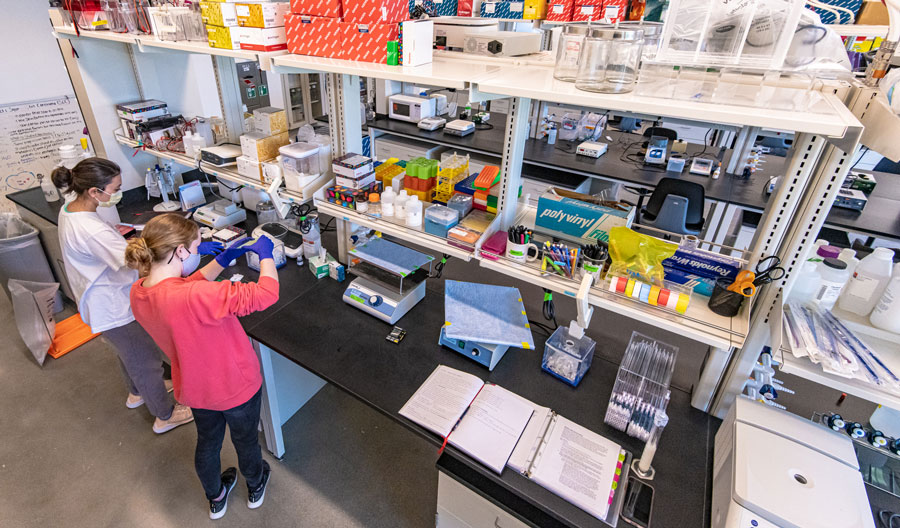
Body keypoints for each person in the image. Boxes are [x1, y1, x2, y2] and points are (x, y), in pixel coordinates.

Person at [124, 213, 279, 519]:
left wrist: (223, 260)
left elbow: (183, 288)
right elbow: (266, 294)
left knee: (208, 442)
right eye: (195, 247)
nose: (197, 251)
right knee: (245, 440)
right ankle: (255, 485)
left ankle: (216, 497)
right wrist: (266, 257)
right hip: (236, 386)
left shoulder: (139, 292)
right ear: (180, 251)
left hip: (195, 388)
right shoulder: (198, 296)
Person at [52, 158, 198, 434]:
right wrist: (170, 249)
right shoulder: (90, 229)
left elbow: (113, 250)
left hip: (99, 298)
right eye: (115, 188)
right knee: (146, 361)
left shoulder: (70, 210)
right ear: (94, 191)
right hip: (113, 304)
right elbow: (135, 262)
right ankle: (165, 415)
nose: (118, 193)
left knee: (128, 352)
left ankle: (136, 393)